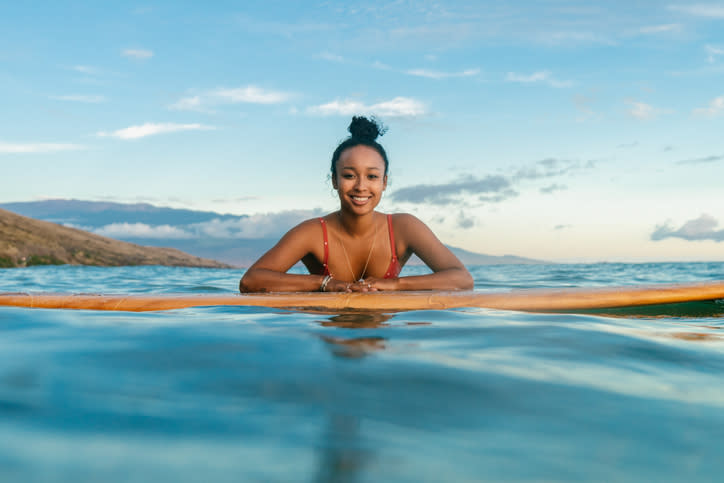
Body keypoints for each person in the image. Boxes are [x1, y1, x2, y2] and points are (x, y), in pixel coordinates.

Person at [239, 116, 473, 293]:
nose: (361, 186)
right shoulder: (312, 232)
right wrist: (324, 283)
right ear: (334, 180)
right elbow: (250, 281)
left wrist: (395, 285)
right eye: (350, 175)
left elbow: (463, 279)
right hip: (330, 342)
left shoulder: (404, 227)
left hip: (384, 346)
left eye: (371, 177)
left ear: (384, 182)